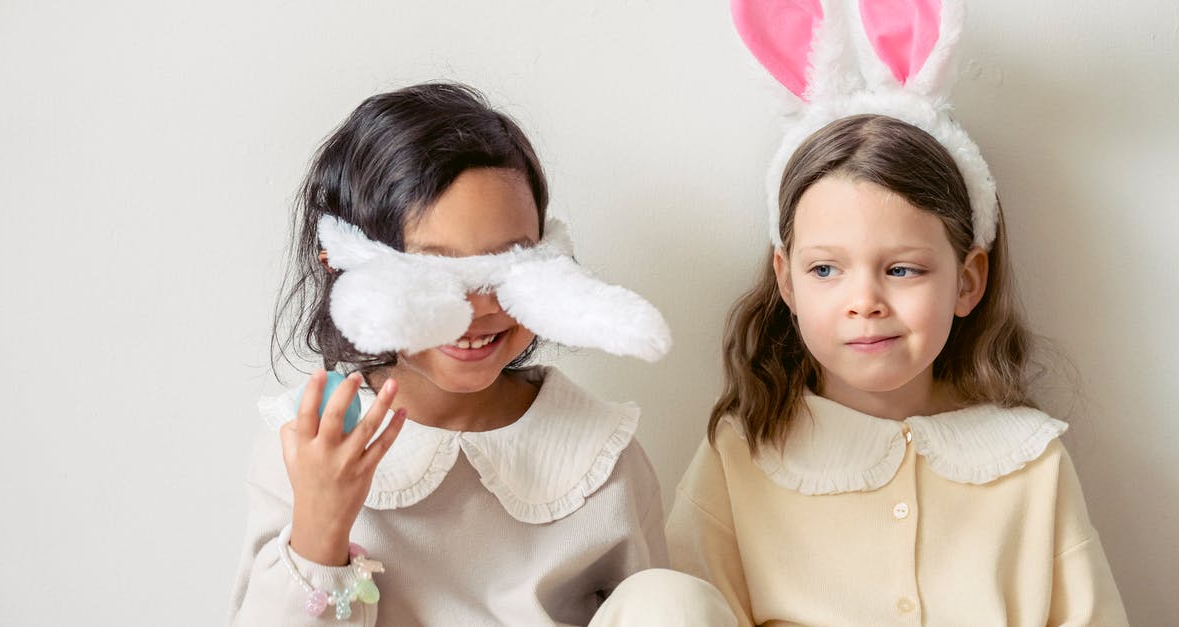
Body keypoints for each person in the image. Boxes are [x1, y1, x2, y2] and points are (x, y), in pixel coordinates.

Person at [666, 1, 1129, 625]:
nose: (865, 302)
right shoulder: (741, 453)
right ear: (787, 281)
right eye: (825, 270)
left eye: (902, 269)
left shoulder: (1030, 460)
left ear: (968, 282)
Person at [228, 82, 674, 625]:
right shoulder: (307, 444)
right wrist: (321, 530)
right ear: (345, 265)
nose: (478, 306)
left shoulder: (601, 457)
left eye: (505, 263)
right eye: (436, 270)